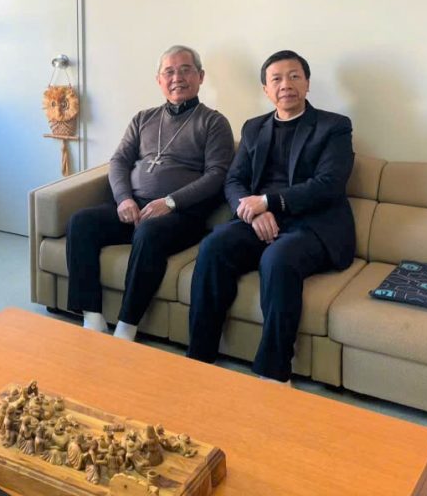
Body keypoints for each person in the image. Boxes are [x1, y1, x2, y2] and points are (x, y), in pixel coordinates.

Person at [186, 50, 354, 383]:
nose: (285, 84)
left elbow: (329, 184)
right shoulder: (254, 128)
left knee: (277, 259)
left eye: (294, 76)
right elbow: (234, 180)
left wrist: (268, 202)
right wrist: (251, 213)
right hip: (259, 220)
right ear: (266, 89)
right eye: (276, 79)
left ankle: (274, 373)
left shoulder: (334, 127)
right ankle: (200, 357)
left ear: (307, 83)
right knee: (214, 246)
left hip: (312, 225)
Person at [66, 45, 234, 341]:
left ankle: (126, 326)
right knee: (81, 222)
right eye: (169, 72)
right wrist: (124, 199)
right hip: (134, 207)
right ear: (159, 80)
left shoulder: (213, 122)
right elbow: (119, 161)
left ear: (200, 76)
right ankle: (92, 317)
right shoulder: (143, 118)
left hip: (182, 215)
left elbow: (216, 175)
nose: (177, 78)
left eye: (185, 70)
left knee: (148, 232)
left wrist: (170, 202)